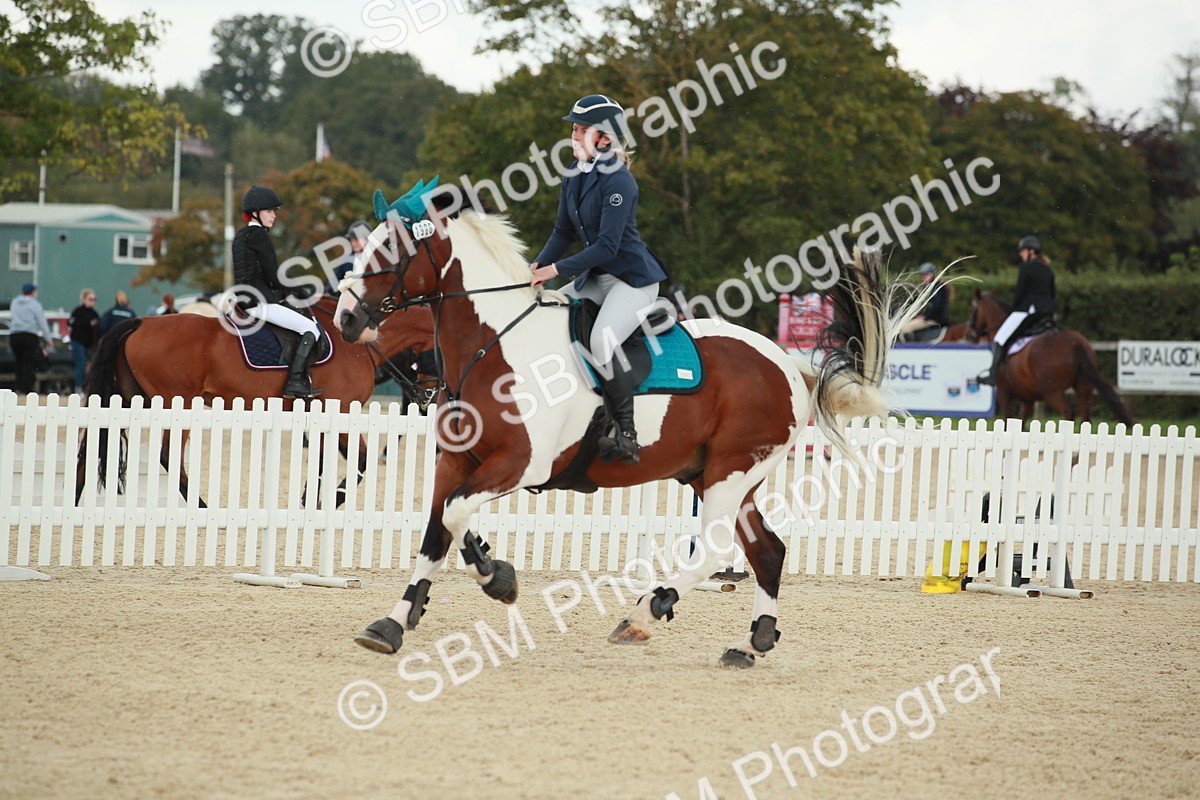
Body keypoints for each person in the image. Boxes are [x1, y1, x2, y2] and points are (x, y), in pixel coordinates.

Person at [529, 93, 668, 464]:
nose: (573, 135)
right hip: (596, 277)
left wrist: (556, 270)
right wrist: (536, 268)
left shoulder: (620, 181)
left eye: (580, 129)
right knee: (551, 314)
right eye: (574, 128)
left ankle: (626, 433)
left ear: (605, 138)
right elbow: (562, 232)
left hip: (631, 282)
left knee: (602, 343)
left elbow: (608, 247)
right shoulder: (574, 175)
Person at [233, 185, 322, 399]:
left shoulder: (242, 235)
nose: (274, 215)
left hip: (244, 300)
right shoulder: (258, 234)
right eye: (269, 211)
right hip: (259, 303)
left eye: (274, 211)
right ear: (256, 213)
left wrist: (283, 293)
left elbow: (258, 274)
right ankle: (295, 382)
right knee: (311, 328)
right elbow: (274, 275)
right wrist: (300, 290)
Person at [977, 235, 1056, 385]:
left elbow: (1020, 294)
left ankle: (992, 375)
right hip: (1048, 313)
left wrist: (1015, 308)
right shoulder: (1048, 270)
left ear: (1032, 251)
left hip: (1029, 311)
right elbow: (1052, 294)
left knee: (999, 338)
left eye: (1023, 251)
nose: (1020, 254)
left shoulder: (1026, 268)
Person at [9, 283, 53, 394]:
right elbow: (42, 323)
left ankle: (18, 387)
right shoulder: (35, 305)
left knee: (19, 363)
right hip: (29, 335)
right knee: (28, 363)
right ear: (33, 292)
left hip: (15, 335)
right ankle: (26, 388)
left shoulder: (14, 302)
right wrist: (48, 339)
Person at [900, 263, 950, 340]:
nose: (923, 277)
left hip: (935, 319)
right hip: (930, 317)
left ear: (932, 274)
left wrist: (925, 316)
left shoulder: (938, 288)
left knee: (906, 328)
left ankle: (913, 348)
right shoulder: (930, 287)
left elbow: (936, 306)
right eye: (922, 275)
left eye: (925, 275)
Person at [68, 288, 100, 393]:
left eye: (94, 299)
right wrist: (88, 323)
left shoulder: (94, 313)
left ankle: (84, 386)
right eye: (90, 299)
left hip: (88, 344)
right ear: (84, 299)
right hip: (78, 341)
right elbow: (71, 323)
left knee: (87, 365)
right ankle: (78, 387)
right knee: (80, 364)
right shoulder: (78, 311)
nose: (92, 301)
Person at [330, 220, 372, 294]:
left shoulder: (376, 258)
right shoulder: (346, 260)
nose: (353, 243)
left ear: (367, 239)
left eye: (357, 240)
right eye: (352, 240)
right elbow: (335, 281)